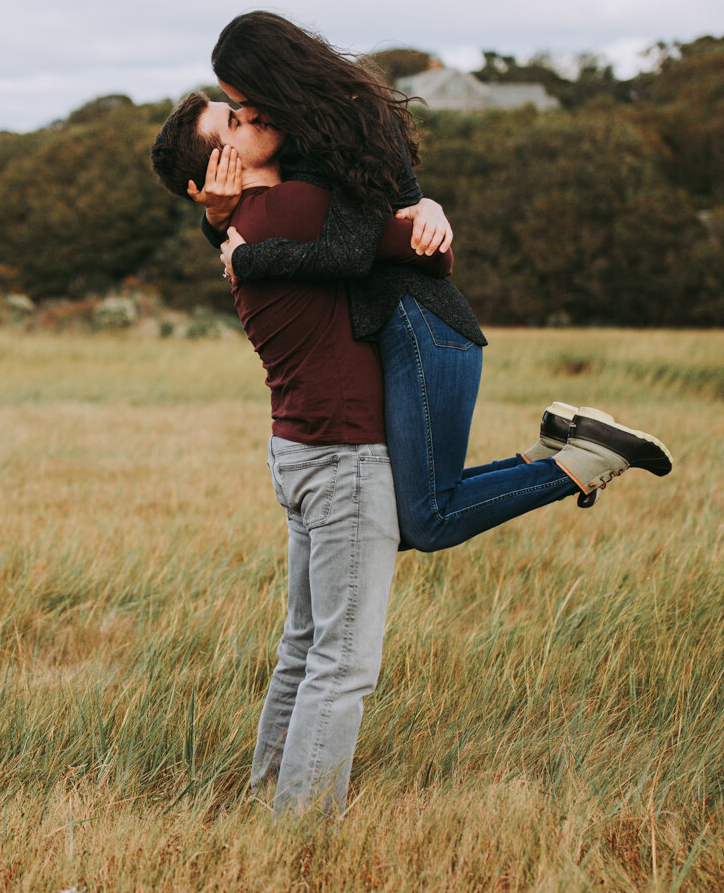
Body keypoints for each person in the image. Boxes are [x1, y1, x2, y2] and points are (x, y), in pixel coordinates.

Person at [150, 91, 671, 815]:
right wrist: (427, 215)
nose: (252, 114)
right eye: (230, 123)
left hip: (299, 451)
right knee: (343, 664)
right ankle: (299, 831)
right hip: (344, 458)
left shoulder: (248, 225)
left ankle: (267, 797)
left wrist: (218, 217)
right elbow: (416, 250)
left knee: (304, 648)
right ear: (217, 168)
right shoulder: (291, 209)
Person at [194, 11, 672, 549]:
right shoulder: (304, 136)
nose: (248, 112)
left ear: (274, 79)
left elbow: (348, 252)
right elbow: (288, 214)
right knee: (396, 518)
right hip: (397, 320)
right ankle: (554, 453)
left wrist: (250, 259)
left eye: (246, 97)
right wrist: (216, 221)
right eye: (236, 107)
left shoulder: (349, 121)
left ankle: (583, 462)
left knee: (423, 522)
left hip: (420, 323)